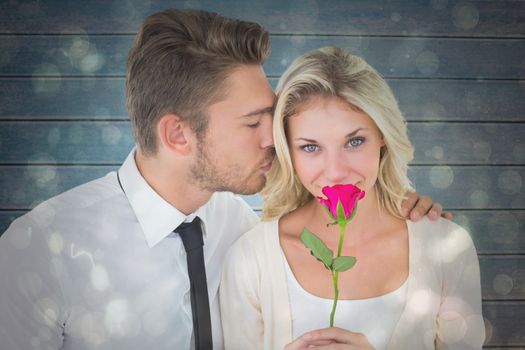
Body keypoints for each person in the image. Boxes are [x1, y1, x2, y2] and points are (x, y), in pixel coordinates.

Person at [0, 9, 444, 350]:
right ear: (178, 134)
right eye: (253, 123)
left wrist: (389, 201)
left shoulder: (239, 225)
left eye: (272, 117)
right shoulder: (41, 251)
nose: (276, 137)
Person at [220, 46, 485, 349]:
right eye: (310, 147)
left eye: (354, 141)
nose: (335, 173)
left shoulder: (445, 248)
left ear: (382, 136)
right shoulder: (251, 258)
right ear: (287, 152)